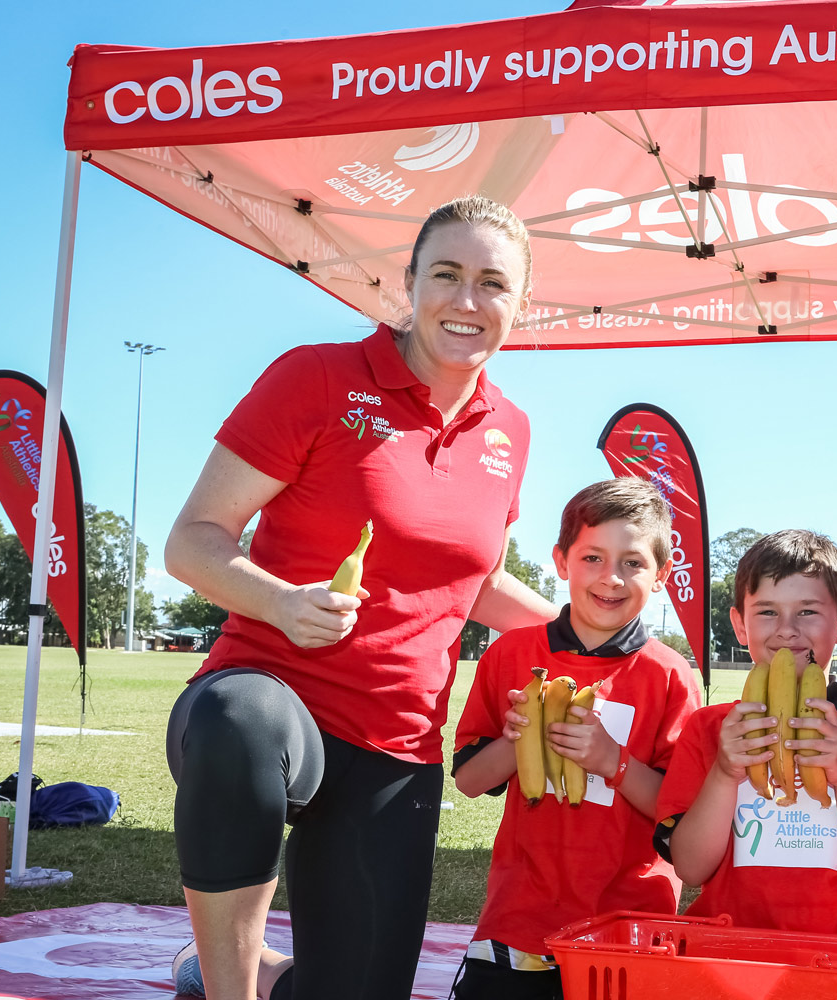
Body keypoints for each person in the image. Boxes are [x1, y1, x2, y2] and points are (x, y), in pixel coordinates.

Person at [163, 195, 557, 1000]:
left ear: (520, 305)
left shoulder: (509, 430)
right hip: (268, 700)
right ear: (407, 283)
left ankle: (250, 979)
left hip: (397, 746)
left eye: (493, 283)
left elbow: (470, 578)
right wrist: (280, 602)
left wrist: (590, 635)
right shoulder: (316, 376)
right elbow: (192, 541)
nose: (467, 300)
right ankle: (230, 985)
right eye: (446, 274)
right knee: (241, 724)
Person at [451, 477, 702, 999]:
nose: (611, 578)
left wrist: (614, 762)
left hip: (631, 929)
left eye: (633, 562)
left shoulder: (672, 676)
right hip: (519, 919)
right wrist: (515, 739)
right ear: (561, 562)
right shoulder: (511, 655)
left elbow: (686, 822)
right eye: (592, 558)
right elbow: (471, 780)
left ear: (662, 575)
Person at [656, 529, 837, 933]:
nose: (786, 629)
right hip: (734, 953)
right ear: (740, 625)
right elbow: (691, 869)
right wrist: (725, 773)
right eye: (766, 611)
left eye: (807, 611)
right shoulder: (709, 730)